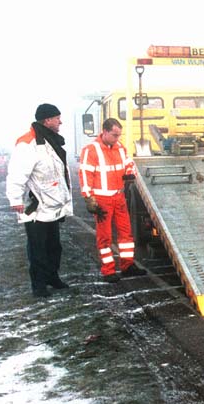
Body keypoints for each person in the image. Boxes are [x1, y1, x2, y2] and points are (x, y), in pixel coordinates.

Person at [6, 103, 74, 298]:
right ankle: (39, 285)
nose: (60, 121)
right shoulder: (28, 143)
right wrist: (15, 199)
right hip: (36, 206)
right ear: (47, 120)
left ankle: (52, 277)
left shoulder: (50, 141)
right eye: (57, 118)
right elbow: (17, 174)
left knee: (54, 245)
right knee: (38, 248)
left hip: (51, 204)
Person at [78, 118, 146, 283]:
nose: (117, 138)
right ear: (105, 132)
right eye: (115, 135)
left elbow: (129, 163)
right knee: (105, 236)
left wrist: (130, 172)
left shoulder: (119, 147)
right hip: (102, 200)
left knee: (126, 234)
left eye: (119, 135)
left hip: (119, 197)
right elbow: (85, 175)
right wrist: (89, 199)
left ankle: (127, 266)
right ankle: (108, 270)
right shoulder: (91, 150)